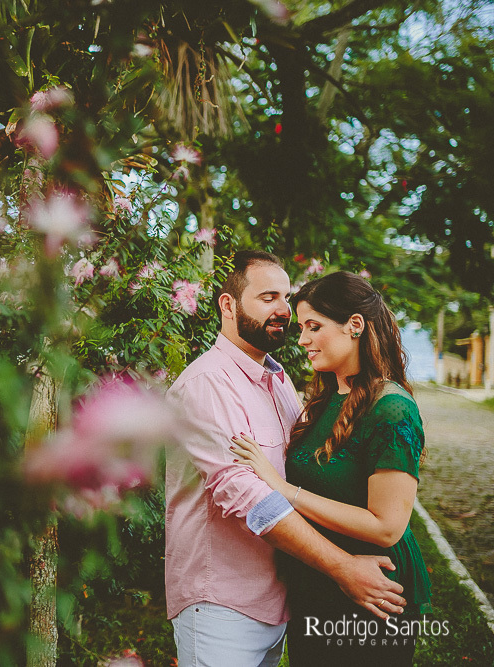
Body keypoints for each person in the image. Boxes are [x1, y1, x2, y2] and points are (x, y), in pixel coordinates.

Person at [165, 252, 406, 667]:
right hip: (223, 605)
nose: (283, 310)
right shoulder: (208, 386)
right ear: (228, 305)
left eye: (286, 297)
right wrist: (343, 567)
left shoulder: (278, 383)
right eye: (268, 297)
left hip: (279, 601)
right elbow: (249, 499)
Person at [230, 270, 431, 666]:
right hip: (318, 585)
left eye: (314, 326)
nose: (302, 339)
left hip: (374, 592)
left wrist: (285, 491)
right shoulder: (326, 399)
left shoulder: (391, 408)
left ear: (354, 325)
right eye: (302, 327)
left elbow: (388, 525)